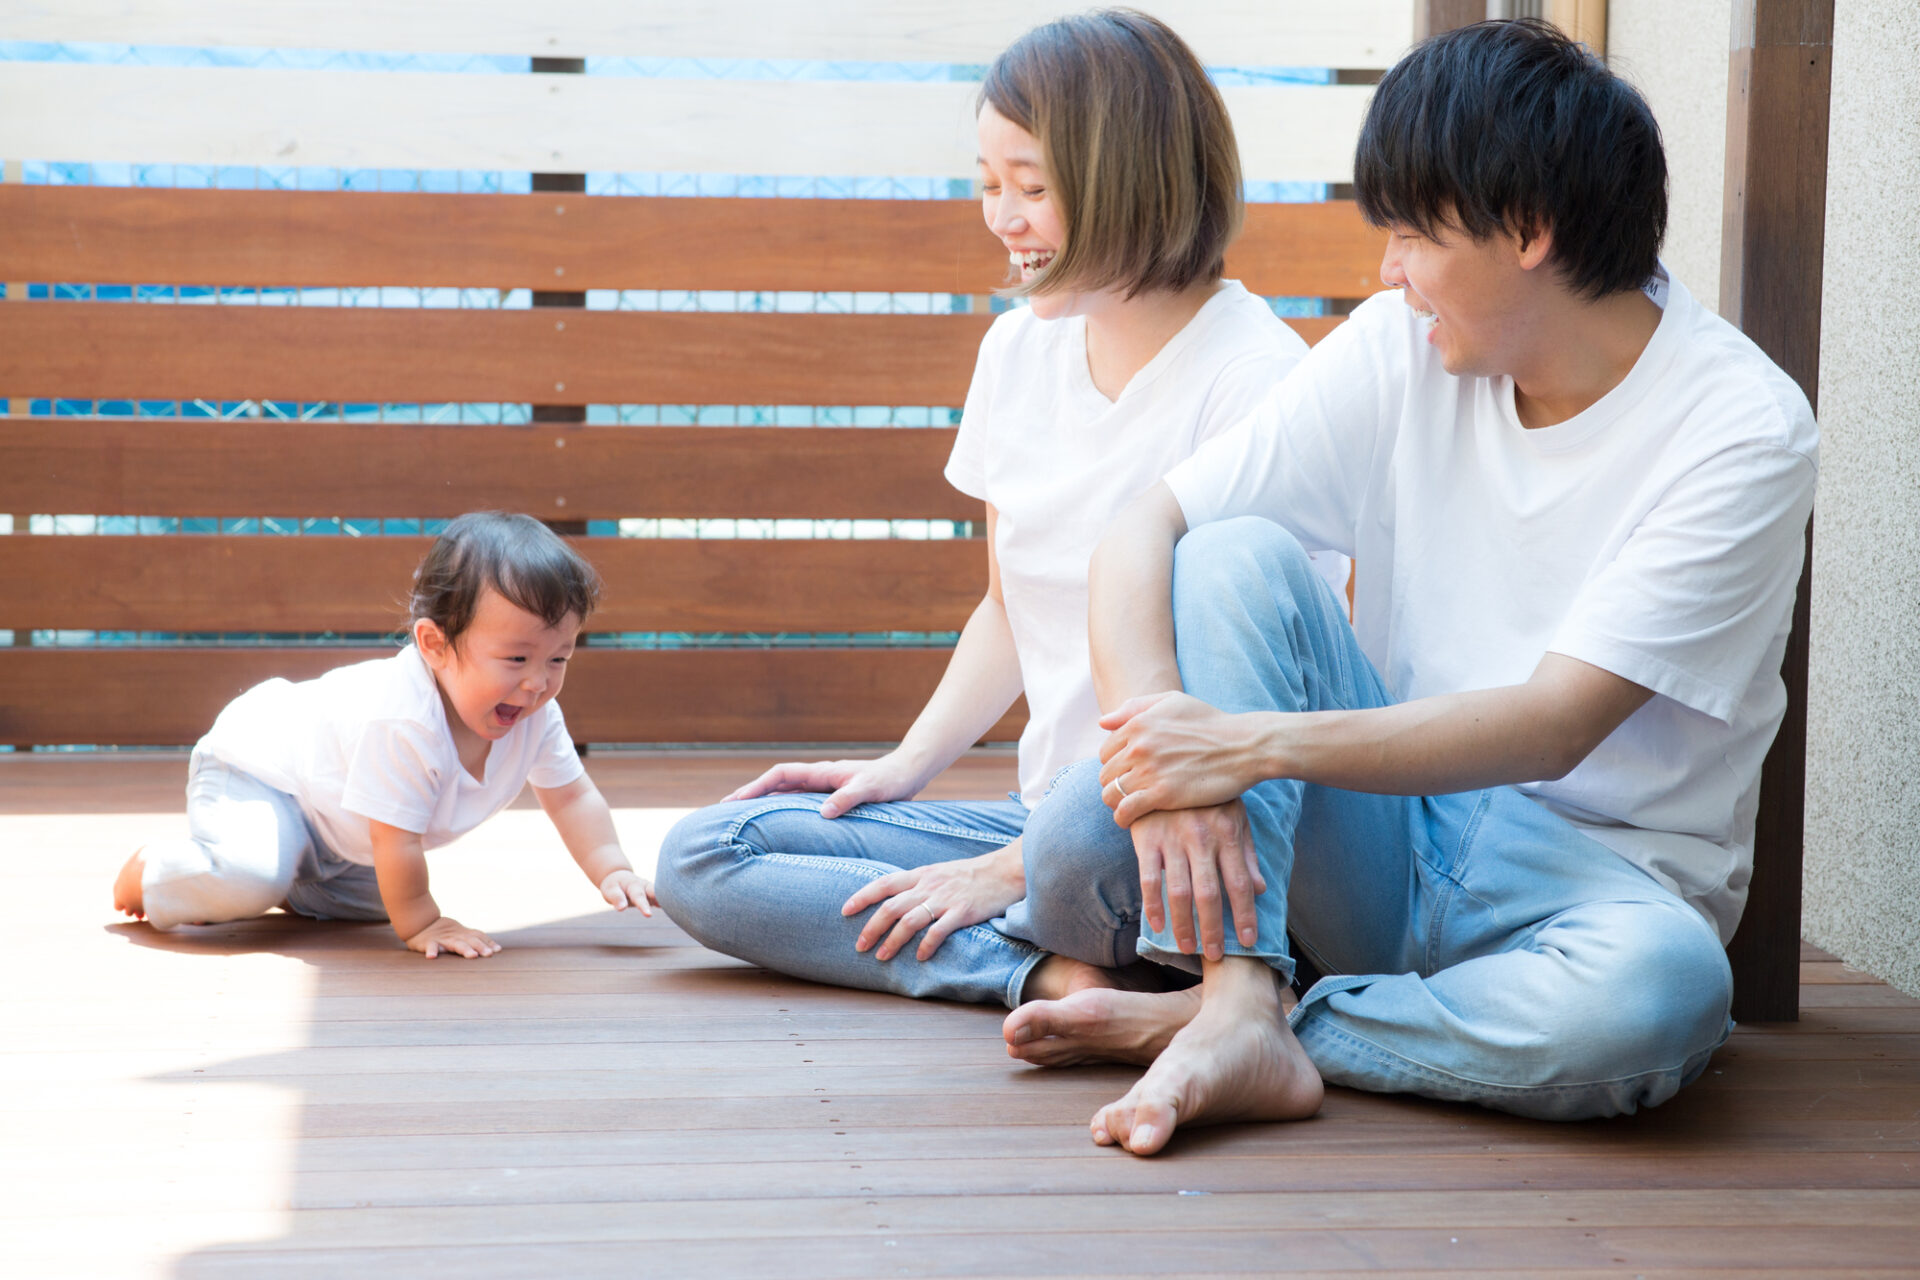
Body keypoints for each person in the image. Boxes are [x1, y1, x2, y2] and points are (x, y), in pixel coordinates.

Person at [1003, 18, 1818, 1154]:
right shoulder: (1403, 344)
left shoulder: (1743, 428)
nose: (1388, 271)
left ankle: (1261, 1018)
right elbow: (1149, 523)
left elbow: (1553, 723)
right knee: (1187, 640)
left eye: (1411, 236)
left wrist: (1252, 749)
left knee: (1660, 1001)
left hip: (1584, 893)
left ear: (1527, 230)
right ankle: (1240, 997)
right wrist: (1170, 753)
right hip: (1381, 832)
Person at [654, 10, 1342, 1006]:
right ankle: (1043, 970)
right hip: (1044, 821)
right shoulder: (1017, 352)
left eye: (1031, 186)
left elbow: (1259, 699)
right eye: (987, 184)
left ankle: (1073, 930)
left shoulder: (1259, 380)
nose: (1000, 217)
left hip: (1170, 827)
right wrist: (906, 764)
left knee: (1071, 839)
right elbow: (1011, 605)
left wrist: (1008, 868)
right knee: (709, 850)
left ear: (1128, 177)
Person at [112, 511, 656, 955]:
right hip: (262, 773)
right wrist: (423, 924)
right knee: (253, 878)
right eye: (516, 658)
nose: (537, 683)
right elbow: (395, 839)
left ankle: (290, 877)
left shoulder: (533, 714)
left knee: (379, 898)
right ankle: (156, 870)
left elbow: (571, 795)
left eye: (559, 657)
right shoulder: (403, 720)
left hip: (338, 831)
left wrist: (612, 867)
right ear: (435, 644)